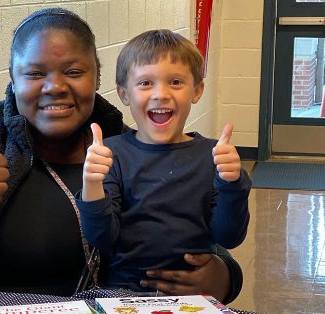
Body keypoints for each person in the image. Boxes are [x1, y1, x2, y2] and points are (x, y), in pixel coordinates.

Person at [0, 7, 243, 303]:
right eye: (34, 74)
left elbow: (187, 230)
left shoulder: (126, 147)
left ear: (98, 79)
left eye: (73, 72)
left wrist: (225, 276)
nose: (55, 86)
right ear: (13, 80)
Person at [77, 29, 251, 293]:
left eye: (176, 82)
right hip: (121, 296)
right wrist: (91, 184)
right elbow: (101, 238)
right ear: (124, 94)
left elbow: (229, 236)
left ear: (197, 90)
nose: (161, 94)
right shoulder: (112, 154)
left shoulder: (213, 156)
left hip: (194, 300)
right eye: (146, 83)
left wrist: (232, 182)